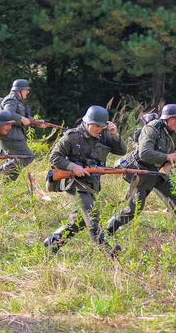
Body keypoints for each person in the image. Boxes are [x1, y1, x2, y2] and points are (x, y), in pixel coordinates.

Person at [104, 104, 176, 245]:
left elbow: (174, 155)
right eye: (174, 119)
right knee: (134, 209)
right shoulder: (152, 129)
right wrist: (167, 157)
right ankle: (107, 230)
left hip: (160, 173)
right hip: (142, 172)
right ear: (165, 119)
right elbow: (145, 153)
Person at [43, 106, 126, 256]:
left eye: (101, 126)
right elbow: (54, 157)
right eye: (95, 125)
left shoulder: (104, 135)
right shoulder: (71, 137)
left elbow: (122, 151)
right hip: (74, 183)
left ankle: (53, 243)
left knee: (79, 222)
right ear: (87, 122)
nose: (98, 129)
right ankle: (108, 251)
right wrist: (73, 166)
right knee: (91, 214)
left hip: (92, 183)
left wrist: (114, 134)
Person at [0, 79, 45, 182]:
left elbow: (24, 117)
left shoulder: (17, 101)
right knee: (27, 157)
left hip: (14, 137)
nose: (28, 92)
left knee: (18, 160)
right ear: (19, 90)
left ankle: (5, 183)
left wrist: (37, 122)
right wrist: (21, 119)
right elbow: (7, 114)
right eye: (26, 90)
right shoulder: (11, 100)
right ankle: (1, 171)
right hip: (9, 137)